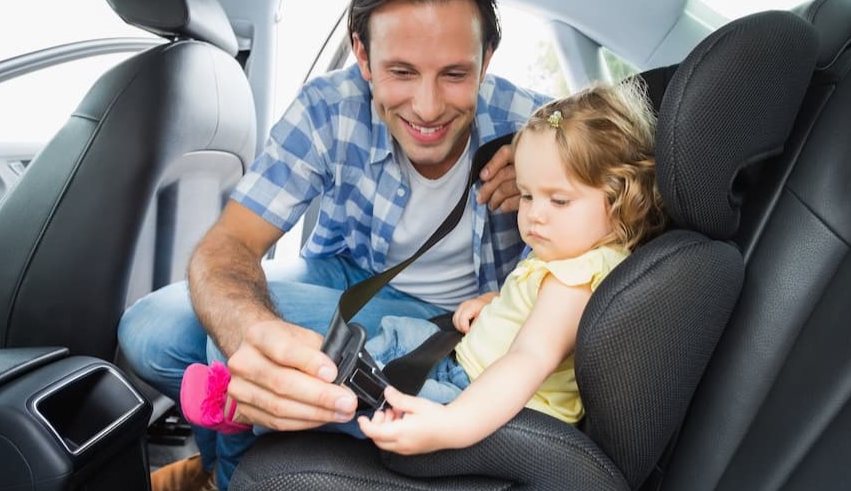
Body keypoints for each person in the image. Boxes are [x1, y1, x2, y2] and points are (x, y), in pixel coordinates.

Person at [117, 0, 551, 490]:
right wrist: (256, 331)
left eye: (454, 74)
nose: (427, 107)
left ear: (487, 59)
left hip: (458, 324)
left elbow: (640, 196)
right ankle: (216, 460)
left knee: (223, 342)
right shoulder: (329, 106)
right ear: (363, 58)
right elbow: (228, 246)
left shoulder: (538, 126)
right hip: (350, 276)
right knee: (152, 332)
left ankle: (224, 477)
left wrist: (551, 179)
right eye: (400, 71)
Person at [178, 80, 667, 456]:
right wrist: (495, 304)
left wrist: (449, 425)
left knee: (371, 398)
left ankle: (243, 413)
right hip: (470, 367)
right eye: (530, 195)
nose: (534, 214)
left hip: (488, 402)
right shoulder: (572, 256)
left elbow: (530, 360)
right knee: (393, 336)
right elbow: (541, 316)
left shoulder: (575, 278)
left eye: (558, 200)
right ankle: (253, 400)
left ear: (621, 199)